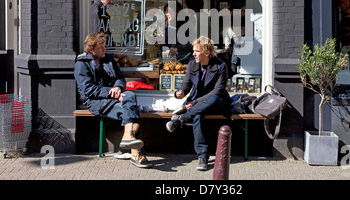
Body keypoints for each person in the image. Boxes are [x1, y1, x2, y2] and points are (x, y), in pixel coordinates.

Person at [74, 32, 152, 168]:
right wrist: (112, 93)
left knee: (131, 97)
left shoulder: (108, 60)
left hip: (113, 97)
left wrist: (117, 87)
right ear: (91, 50)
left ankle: (128, 136)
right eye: (101, 47)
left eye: (104, 46)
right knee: (132, 110)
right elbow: (88, 90)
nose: (104, 50)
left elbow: (120, 78)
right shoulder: (82, 64)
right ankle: (136, 152)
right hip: (96, 102)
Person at [165, 36, 232, 171]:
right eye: (193, 50)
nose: (193, 54)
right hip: (197, 106)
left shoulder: (221, 66)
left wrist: (195, 102)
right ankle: (202, 156)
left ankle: (181, 119)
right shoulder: (192, 64)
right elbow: (186, 85)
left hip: (216, 103)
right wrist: (180, 92)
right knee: (198, 116)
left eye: (197, 51)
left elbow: (217, 92)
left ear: (206, 53)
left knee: (212, 100)